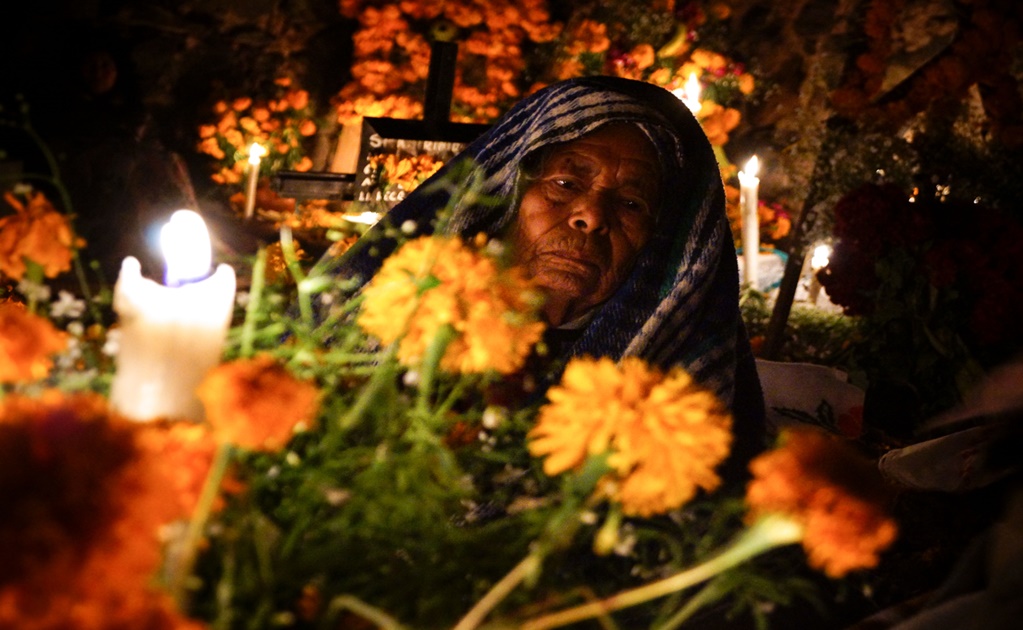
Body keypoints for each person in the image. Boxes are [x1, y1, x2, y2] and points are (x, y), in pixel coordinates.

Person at [326, 76, 766, 480]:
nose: (592, 217)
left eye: (632, 203)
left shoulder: (671, 395)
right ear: (509, 197)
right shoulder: (410, 319)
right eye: (565, 184)